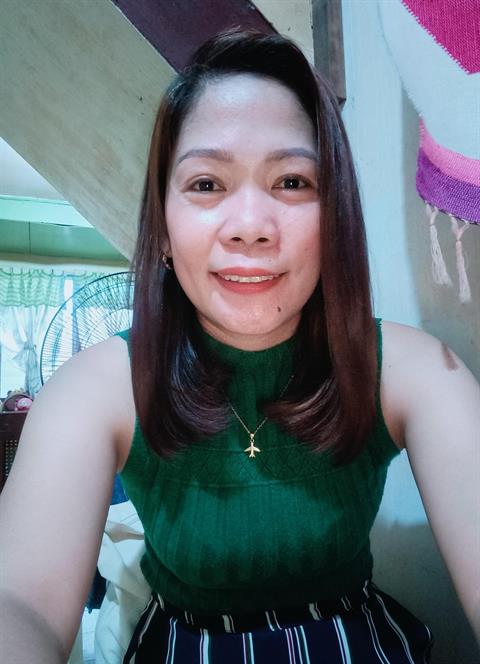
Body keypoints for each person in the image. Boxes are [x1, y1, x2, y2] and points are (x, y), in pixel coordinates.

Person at [0, 29, 479, 664]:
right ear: (163, 229)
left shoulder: (415, 371)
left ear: (334, 219)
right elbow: (21, 602)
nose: (251, 227)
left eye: (292, 182)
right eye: (206, 184)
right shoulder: (96, 387)